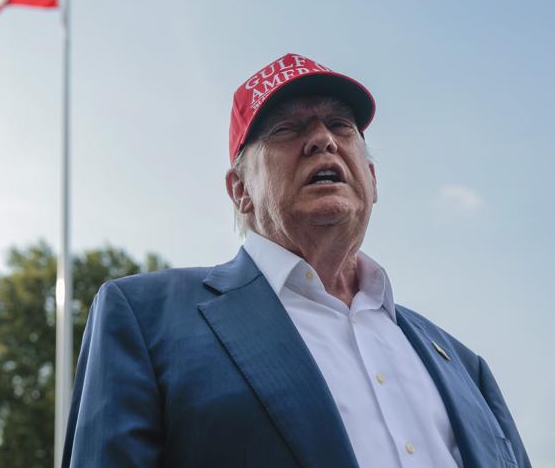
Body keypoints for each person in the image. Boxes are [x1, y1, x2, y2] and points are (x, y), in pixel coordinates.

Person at [62, 53, 531, 467]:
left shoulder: (465, 366)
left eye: (340, 125)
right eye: (287, 128)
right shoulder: (146, 318)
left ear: (371, 178)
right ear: (241, 191)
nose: (321, 139)